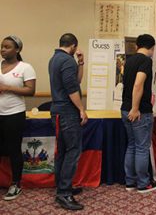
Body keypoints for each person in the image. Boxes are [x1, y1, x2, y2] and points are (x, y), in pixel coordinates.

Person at [49, 33, 87, 210]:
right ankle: (64, 193)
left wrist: (81, 63)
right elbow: (72, 89)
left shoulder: (55, 59)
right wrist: (81, 110)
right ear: (73, 46)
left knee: (63, 152)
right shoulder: (67, 61)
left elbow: (76, 81)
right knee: (73, 151)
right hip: (68, 112)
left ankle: (62, 186)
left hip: (57, 111)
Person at [121, 34, 156, 194]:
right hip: (139, 111)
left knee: (131, 145)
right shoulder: (145, 61)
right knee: (142, 147)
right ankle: (143, 184)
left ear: (137, 46)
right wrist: (135, 108)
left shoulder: (128, 61)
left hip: (124, 108)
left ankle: (130, 182)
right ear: (151, 48)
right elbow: (138, 84)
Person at [0, 36, 36, 200]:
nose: (3, 49)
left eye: (7, 47)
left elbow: (30, 91)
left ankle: (16, 184)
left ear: (17, 50)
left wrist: (7, 87)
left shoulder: (25, 67)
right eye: (2, 46)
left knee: (13, 150)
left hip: (14, 114)